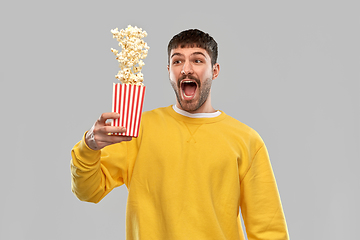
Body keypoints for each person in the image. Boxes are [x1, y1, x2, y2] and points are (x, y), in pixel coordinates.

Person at [71, 29, 289, 240]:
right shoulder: (138, 130)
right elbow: (88, 191)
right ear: (169, 71)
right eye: (177, 61)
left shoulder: (247, 141)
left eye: (197, 60)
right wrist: (89, 147)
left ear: (215, 70)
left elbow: (269, 231)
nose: (186, 69)